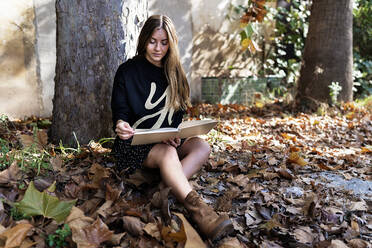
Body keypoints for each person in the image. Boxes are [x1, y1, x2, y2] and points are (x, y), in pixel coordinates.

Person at [111, 15, 233, 241]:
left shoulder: (174, 72)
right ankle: (201, 213)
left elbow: (177, 115)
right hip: (134, 143)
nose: (158, 48)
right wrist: (121, 125)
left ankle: (161, 192)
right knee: (167, 153)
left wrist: (175, 135)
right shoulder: (128, 71)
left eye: (164, 42)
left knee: (202, 147)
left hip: (164, 141)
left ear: (171, 43)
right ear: (144, 40)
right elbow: (120, 112)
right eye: (153, 41)